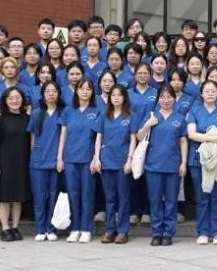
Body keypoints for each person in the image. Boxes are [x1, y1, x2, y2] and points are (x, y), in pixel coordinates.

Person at [186, 79, 217, 245]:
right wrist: (215, 137)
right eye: (207, 91)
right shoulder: (194, 111)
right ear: (201, 94)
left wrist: (207, 137)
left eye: (213, 91)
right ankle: (203, 232)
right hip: (197, 160)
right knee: (202, 197)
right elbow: (191, 134)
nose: (210, 94)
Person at [92, 85, 138, 244]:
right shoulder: (104, 115)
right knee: (110, 198)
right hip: (106, 161)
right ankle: (110, 230)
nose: (116, 98)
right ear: (109, 98)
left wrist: (130, 159)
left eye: (119, 95)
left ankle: (123, 231)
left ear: (124, 97)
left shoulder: (131, 116)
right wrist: (96, 159)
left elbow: (133, 139)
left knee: (123, 198)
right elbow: (98, 138)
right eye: (113, 95)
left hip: (122, 161)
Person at [57, 80, 102, 243]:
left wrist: (96, 158)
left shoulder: (97, 111)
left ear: (92, 92)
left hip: (87, 158)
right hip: (70, 158)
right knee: (73, 194)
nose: (85, 91)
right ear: (76, 91)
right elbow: (63, 135)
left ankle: (86, 229)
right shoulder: (68, 110)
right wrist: (59, 158)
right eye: (81, 88)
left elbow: (99, 137)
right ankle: (75, 228)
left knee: (87, 194)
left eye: (88, 89)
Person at [143, 85, 188, 246]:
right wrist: (148, 124)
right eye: (162, 97)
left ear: (174, 99)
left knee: (171, 201)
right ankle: (156, 233)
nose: (166, 100)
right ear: (158, 99)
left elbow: (183, 141)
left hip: (173, 165)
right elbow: (139, 136)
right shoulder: (152, 116)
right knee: (155, 200)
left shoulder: (180, 118)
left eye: (169, 97)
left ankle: (168, 233)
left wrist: (183, 162)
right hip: (153, 165)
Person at [0, 87, 32, 241]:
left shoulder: (27, 119)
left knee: (17, 197)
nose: (14, 101)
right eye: (10, 98)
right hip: (4, 163)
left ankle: (15, 226)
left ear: (22, 100)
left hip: (22, 162)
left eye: (17, 98)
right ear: (5, 101)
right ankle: (5, 228)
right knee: (4, 197)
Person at [29, 80, 63, 241]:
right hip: (38, 161)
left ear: (59, 94)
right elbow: (32, 137)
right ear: (42, 94)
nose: (51, 94)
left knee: (53, 195)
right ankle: (40, 229)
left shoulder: (63, 113)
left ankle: (51, 228)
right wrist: (34, 155)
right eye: (47, 91)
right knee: (39, 196)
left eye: (54, 91)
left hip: (56, 160)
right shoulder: (36, 113)